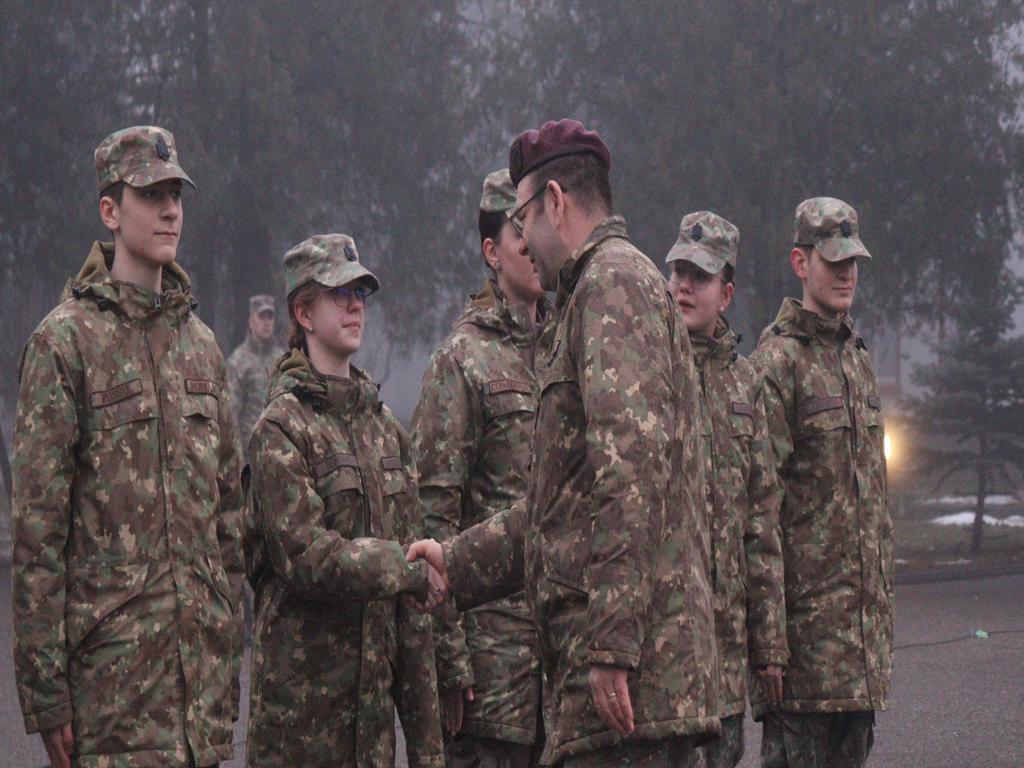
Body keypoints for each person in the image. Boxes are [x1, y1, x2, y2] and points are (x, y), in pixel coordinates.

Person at [409, 119, 719, 767]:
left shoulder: (611, 284)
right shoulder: (588, 297)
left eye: (522, 218)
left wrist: (612, 647)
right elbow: (559, 511)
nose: (522, 240)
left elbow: (629, 476)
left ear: (554, 201)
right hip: (608, 685)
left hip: (626, 690)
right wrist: (454, 562)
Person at [11, 126, 245, 768]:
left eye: (177, 195)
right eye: (151, 195)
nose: (171, 211)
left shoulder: (202, 346)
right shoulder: (65, 344)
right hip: (112, 697)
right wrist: (46, 693)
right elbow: (38, 537)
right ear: (110, 211)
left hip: (198, 699)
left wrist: (227, 645)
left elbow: (228, 520)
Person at [244, 233, 444, 768]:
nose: (356, 306)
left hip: (370, 736)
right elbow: (307, 556)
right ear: (304, 313)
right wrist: (403, 568)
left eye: (361, 293)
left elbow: (413, 612)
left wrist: (428, 750)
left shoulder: (386, 431)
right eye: (340, 294)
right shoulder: (280, 430)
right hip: (300, 733)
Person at [750, 198, 893, 768]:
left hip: (858, 658)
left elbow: (873, 510)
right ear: (800, 263)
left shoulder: (857, 360)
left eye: (852, 261)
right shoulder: (776, 364)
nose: (846, 273)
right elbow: (758, 511)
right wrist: (769, 641)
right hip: (803, 657)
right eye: (833, 261)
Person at [412, 168, 547, 766]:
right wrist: (449, 657)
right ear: (493, 252)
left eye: (539, 230)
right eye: (520, 235)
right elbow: (431, 521)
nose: (534, 246)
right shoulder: (462, 361)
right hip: (491, 676)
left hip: (560, 673)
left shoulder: (567, 348)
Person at [665, 211, 788, 768]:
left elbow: (760, 522)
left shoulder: (746, 384)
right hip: (663, 657)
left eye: (700, 276)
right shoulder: (647, 370)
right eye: (678, 273)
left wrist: (770, 643)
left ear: (727, 294)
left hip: (727, 655)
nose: (684, 287)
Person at [226, 294, 285, 462]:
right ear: (251, 321)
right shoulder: (238, 362)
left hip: (280, 454)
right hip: (250, 456)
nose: (267, 322)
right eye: (261, 317)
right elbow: (231, 416)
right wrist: (238, 461)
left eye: (270, 317)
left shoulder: (282, 360)